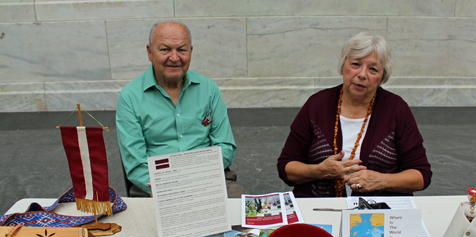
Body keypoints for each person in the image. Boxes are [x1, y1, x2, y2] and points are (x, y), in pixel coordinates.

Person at [277, 32, 432, 197]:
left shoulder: (396, 109)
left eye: (373, 69)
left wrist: (382, 180)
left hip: (379, 214)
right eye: (356, 64)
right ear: (343, 67)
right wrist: (319, 171)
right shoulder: (317, 105)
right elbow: (286, 167)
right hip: (320, 208)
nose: (362, 74)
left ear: (382, 77)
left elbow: (421, 175)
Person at [116, 21, 246, 197]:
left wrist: (194, 182)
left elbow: (225, 147)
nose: (175, 58)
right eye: (165, 49)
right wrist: (172, 189)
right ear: (149, 52)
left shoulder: (209, 89)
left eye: (182, 50)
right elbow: (136, 164)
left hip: (210, 180)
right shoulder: (129, 97)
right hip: (157, 188)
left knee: (248, 218)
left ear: (191, 52)